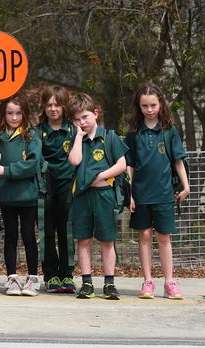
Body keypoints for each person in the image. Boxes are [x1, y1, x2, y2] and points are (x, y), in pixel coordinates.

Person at [125, 83, 189, 300]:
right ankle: (148, 282)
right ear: (139, 106)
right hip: (141, 194)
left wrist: (186, 186)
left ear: (161, 103)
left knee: (163, 237)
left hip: (164, 193)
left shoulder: (169, 131)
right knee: (144, 235)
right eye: (145, 106)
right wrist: (129, 193)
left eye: (153, 105)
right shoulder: (133, 133)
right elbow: (129, 164)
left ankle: (169, 282)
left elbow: (178, 161)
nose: (149, 109)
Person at [68, 93, 127, 300]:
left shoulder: (109, 137)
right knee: (83, 240)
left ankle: (109, 283)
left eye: (84, 117)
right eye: (76, 119)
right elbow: (75, 161)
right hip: (83, 196)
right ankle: (86, 282)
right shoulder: (77, 139)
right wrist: (77, 136)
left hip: (104, 195)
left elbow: (121, 165)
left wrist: (101, 175)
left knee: (106, 240)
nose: (81, 122)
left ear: (95, 113)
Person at [0, 92, 42, 296]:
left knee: (28, 235)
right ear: (3, 114)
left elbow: (32, 164)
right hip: (6, 196)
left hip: (27, 196)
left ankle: (33, 278)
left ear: (24, 113)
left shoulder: (31, 135)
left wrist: (6, 170)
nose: (14, 117)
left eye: (18, 113)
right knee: (9, 236)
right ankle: (12, 278)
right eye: (10, 113)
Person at [36, 86, 77, 294]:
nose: (53, 109)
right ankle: (51, 275)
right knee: (47, 232)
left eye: (57, 104)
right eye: (49, 105)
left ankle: (67, 274)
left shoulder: (73, 130)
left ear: (64, 106)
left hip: (67, 187)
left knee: (66, 232)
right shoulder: (37, 132)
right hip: (44, 188)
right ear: (44, 107)